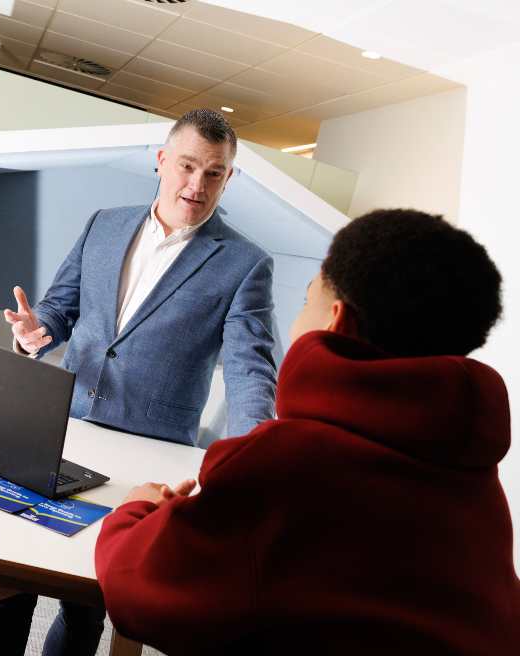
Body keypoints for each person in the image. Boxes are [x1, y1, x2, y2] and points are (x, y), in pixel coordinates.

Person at [96, 209, 520, 655]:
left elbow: (139, 593)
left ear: (337, 321)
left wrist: (138, 510)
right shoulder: (474, 483)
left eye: (305, 301)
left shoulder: (284, 461)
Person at [0, 109, 278, 655]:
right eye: (187, 166)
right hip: (61, 430)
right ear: (161, 161)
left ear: (228, 177)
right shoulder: (104, 224)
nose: (196, 185)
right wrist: (34, 329)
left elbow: (250, 365)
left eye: (214, 173)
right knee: (9, 584)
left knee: (88, 600)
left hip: (147, 457)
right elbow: (59, 310)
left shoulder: (245, 263)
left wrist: (258, 450)